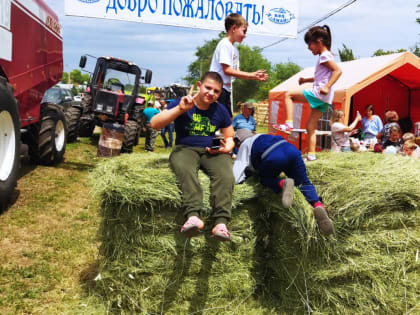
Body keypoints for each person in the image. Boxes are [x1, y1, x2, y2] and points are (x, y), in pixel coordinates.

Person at [150, 71, 235, 241]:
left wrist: (227, 148)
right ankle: (193, 216)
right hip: (185, 148)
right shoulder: (183, 102)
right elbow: (154, 124)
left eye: (216, 91)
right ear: (199, 86)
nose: (211, 93)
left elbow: (230, 137)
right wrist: (180, 109)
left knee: (226, 175)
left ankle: (221, 223)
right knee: (185, 171)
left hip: (211, 151)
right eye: (208, 88)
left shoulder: (221, 110)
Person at [232, 128, 334, 235]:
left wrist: (235, 184)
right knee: (304, 183)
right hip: (291, 149)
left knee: (264, 179)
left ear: (239, 141)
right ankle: (318, 205)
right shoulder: (263, 136)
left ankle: (282, 183)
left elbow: (238, 171)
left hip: (273, 156)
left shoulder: (244, 145)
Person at [274, 25, 342, 161]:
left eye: (309, 44)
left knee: (288, 95)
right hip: (325, 99)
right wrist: (306, 79)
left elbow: (338, 71)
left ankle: (288, 123)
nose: (308, 47)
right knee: (310, 127)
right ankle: (311, 155)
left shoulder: (324, 55)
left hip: (320, 93)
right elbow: (322, 76)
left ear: (318, 41)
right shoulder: (326, 56)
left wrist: (327, 87)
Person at [209, 13, 268, 117]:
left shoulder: (234, 49)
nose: (245, 35)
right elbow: (227, 70)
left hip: (226, 89)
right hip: (217, 88)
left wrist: (254, 76)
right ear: (234, 28)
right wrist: (251, 75)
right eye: (244, 31)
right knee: (220, 121)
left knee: (227, 121)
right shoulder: (225, 44)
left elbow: (236, 72)